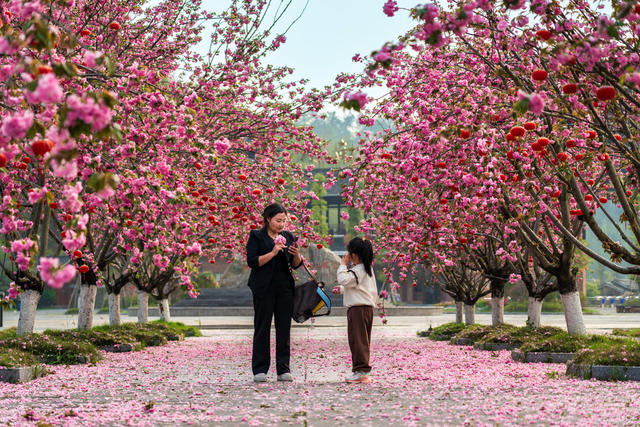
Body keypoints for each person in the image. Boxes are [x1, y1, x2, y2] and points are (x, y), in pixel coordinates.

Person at [246, 203, 302, 383]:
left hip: (284, 287)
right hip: (263, 288)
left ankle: (283, 369)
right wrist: (273, 251)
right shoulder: (256, 236)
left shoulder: (287, 236)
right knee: (262, 327)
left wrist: (296, 254)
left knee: (284, 328)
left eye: (284, 221)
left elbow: (295, 265)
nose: (281, 224)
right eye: (278, 220)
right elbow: (253, 262)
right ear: (268, 219)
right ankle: (260, 369)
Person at [332, 237, 378, 383]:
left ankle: (361, 372)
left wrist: (342, 266)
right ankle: (361, 371)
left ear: (355, 254)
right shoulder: (366, 269)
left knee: (358, 340)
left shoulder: (358, 269)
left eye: (350, 252)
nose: (348, 255)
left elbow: (344, 280)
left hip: (358, 310)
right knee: (361, 340)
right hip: (365, 308)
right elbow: (358, 288)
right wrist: (341, 290)